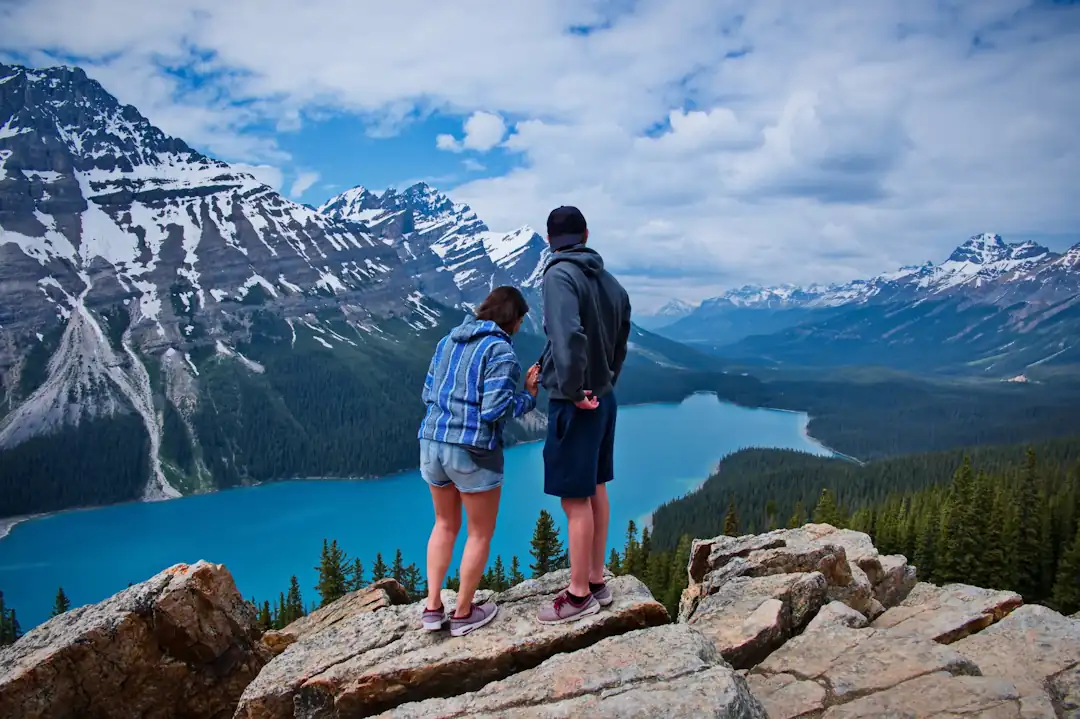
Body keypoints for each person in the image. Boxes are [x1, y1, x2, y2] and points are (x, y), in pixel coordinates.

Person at [417, 286, 540, 636]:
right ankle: (463, 613)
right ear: (514, 321)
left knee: (443, 524)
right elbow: (494, 410)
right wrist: (528, 396)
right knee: (479, 532)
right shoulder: (501, 352)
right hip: (471, 451)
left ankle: (431, 608)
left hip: (431, 442)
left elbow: (428, 392)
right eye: (520, 321)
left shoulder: (446, 342)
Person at [534, 206, 631, 625]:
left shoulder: (558, 276)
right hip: (604, 398)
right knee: (596, 487)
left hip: (578, 402)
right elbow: (620, 340)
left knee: (575, 498)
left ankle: (577, 596)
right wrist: (604, 380)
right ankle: (595, 580)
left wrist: (574, 390)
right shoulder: (611, 283)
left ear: (549, 239)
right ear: (586, 234)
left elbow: (567, 334)